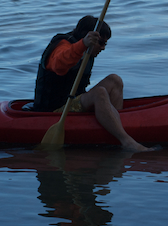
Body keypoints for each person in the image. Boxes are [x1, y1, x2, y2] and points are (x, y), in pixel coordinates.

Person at [34, 15, 150, 152]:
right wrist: (83, 44)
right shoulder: (63, 45)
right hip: (53, 111)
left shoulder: (88, 51)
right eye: (100, 42)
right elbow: (59, 65)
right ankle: (126, 141)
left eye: (105, 44)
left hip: (73, 102)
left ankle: (116, 129)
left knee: (115, 80)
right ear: (87, 37)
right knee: (99, 93)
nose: (103, 48)